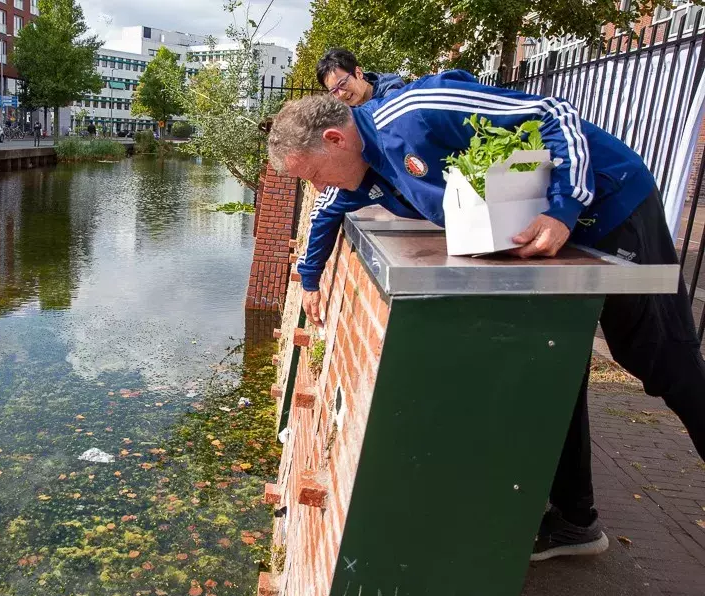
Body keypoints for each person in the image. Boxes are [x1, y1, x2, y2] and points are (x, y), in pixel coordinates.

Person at [266, 73, 705, 561]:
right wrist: (309, 279)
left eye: (312, 173)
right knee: (559, 371)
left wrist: (563, 208)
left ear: (335, 138)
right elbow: (329, 211)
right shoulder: (364, 169)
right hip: (537, 239)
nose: (315, 186)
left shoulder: (416, 110)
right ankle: (575, 522)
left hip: (607, 208)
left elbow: (552, 115)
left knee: (664, 360)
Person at [300, 49, 407, 325]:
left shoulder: (398, 105)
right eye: (333, 91)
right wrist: (310, 280)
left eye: (343, 84)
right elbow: (325, 211)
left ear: (358, 73)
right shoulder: (350, 135)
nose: (341, 94)